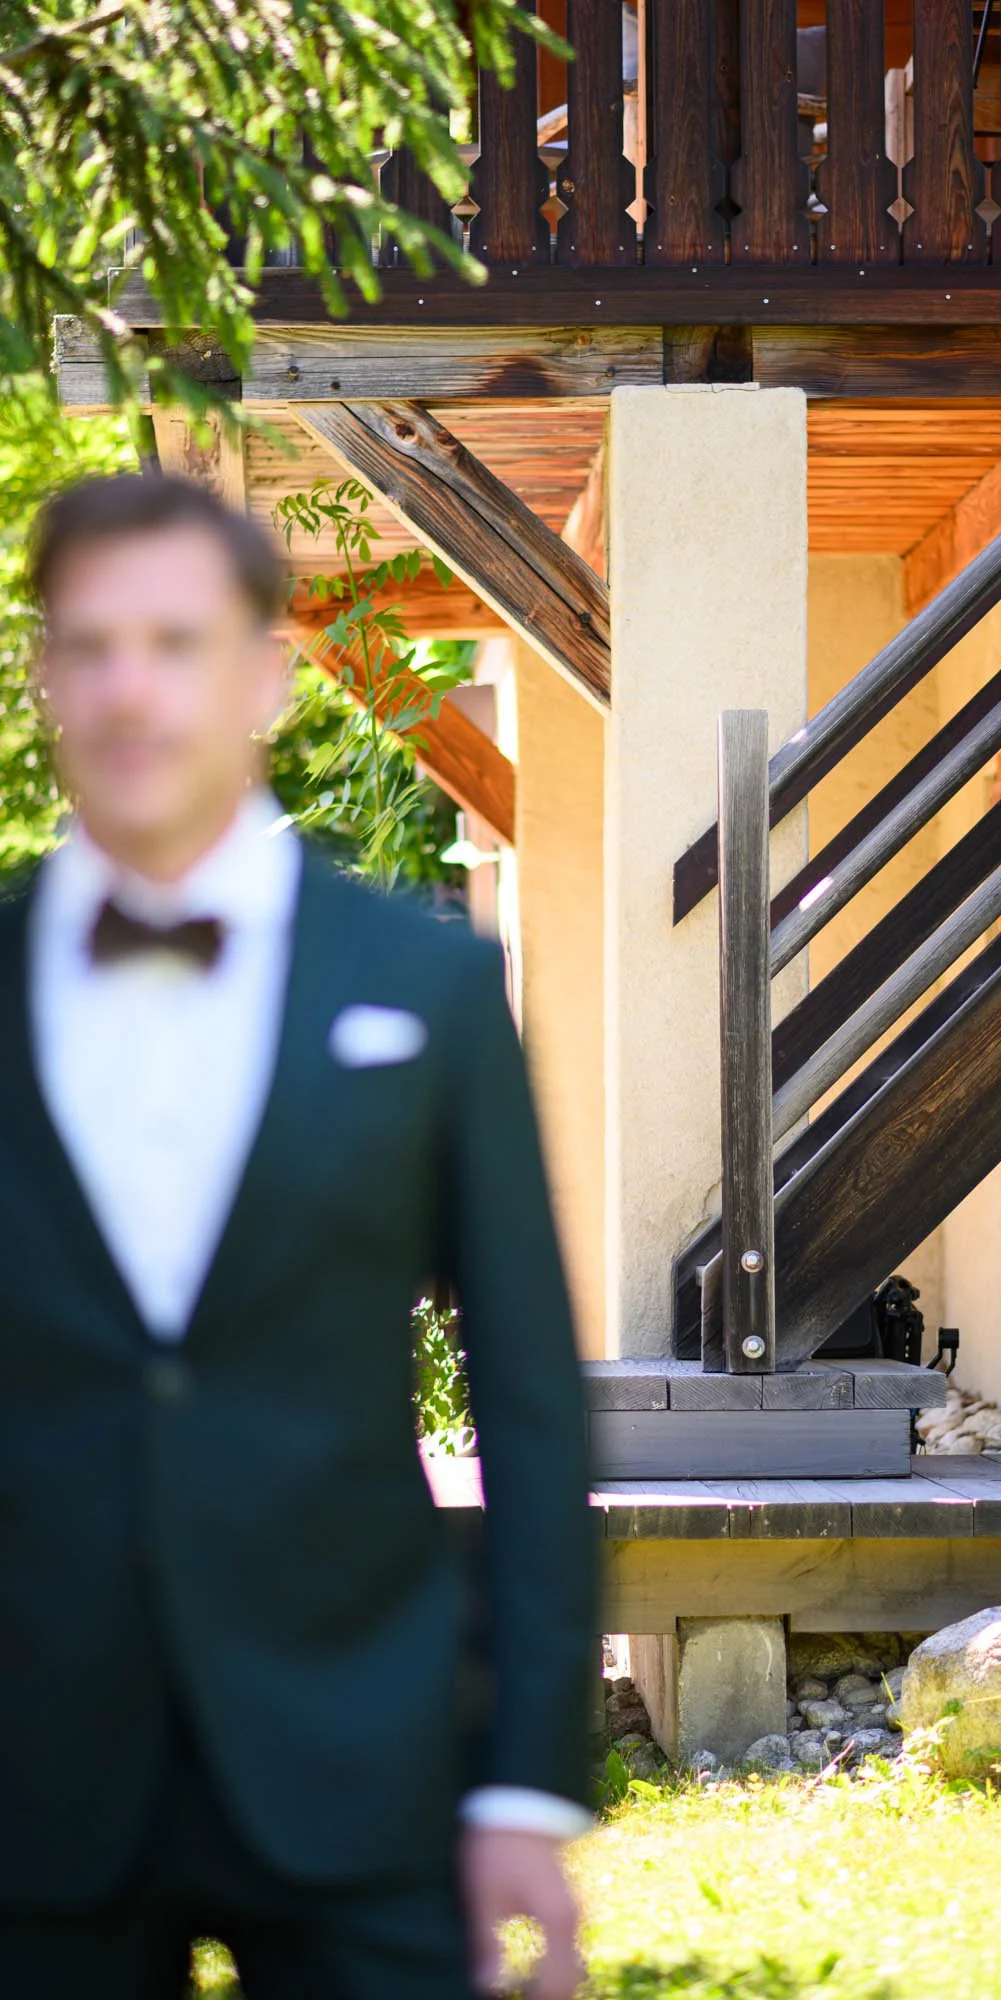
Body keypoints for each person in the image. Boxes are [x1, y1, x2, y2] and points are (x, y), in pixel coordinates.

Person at [0, 473, 599, 1999]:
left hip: (360, 1762)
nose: (135, 689)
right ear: (45, 675)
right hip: (36, 1783)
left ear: (266, 672)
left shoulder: (432, 989)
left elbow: (530, 1405)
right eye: (94, 645)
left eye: (179, 642)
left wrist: (525, 1780)